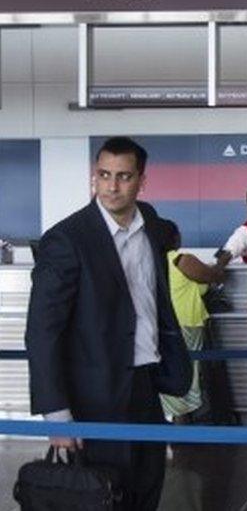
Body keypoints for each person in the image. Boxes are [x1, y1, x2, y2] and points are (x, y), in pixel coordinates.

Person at [25, 136, 192, 511]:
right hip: (93, 393)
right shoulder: (67, 239)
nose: (112, 186)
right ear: (94, 177)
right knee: (103, 496)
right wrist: (57, 415)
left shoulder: (150, 222)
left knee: (148, 486)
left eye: (123, 176)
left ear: (141, 181)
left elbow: (170, 234)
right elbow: (42, 330)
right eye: (103, 175)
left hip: (146, 384)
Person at [157, 219, 226, 423]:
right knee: (189, 372)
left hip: (167, 323)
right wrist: (220, 266)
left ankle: (180, 419)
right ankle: (183, 421)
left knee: (176, 370)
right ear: (173, 238)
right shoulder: (181, 260)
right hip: (186, 323)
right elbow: (211, 276)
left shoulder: (157, 260)